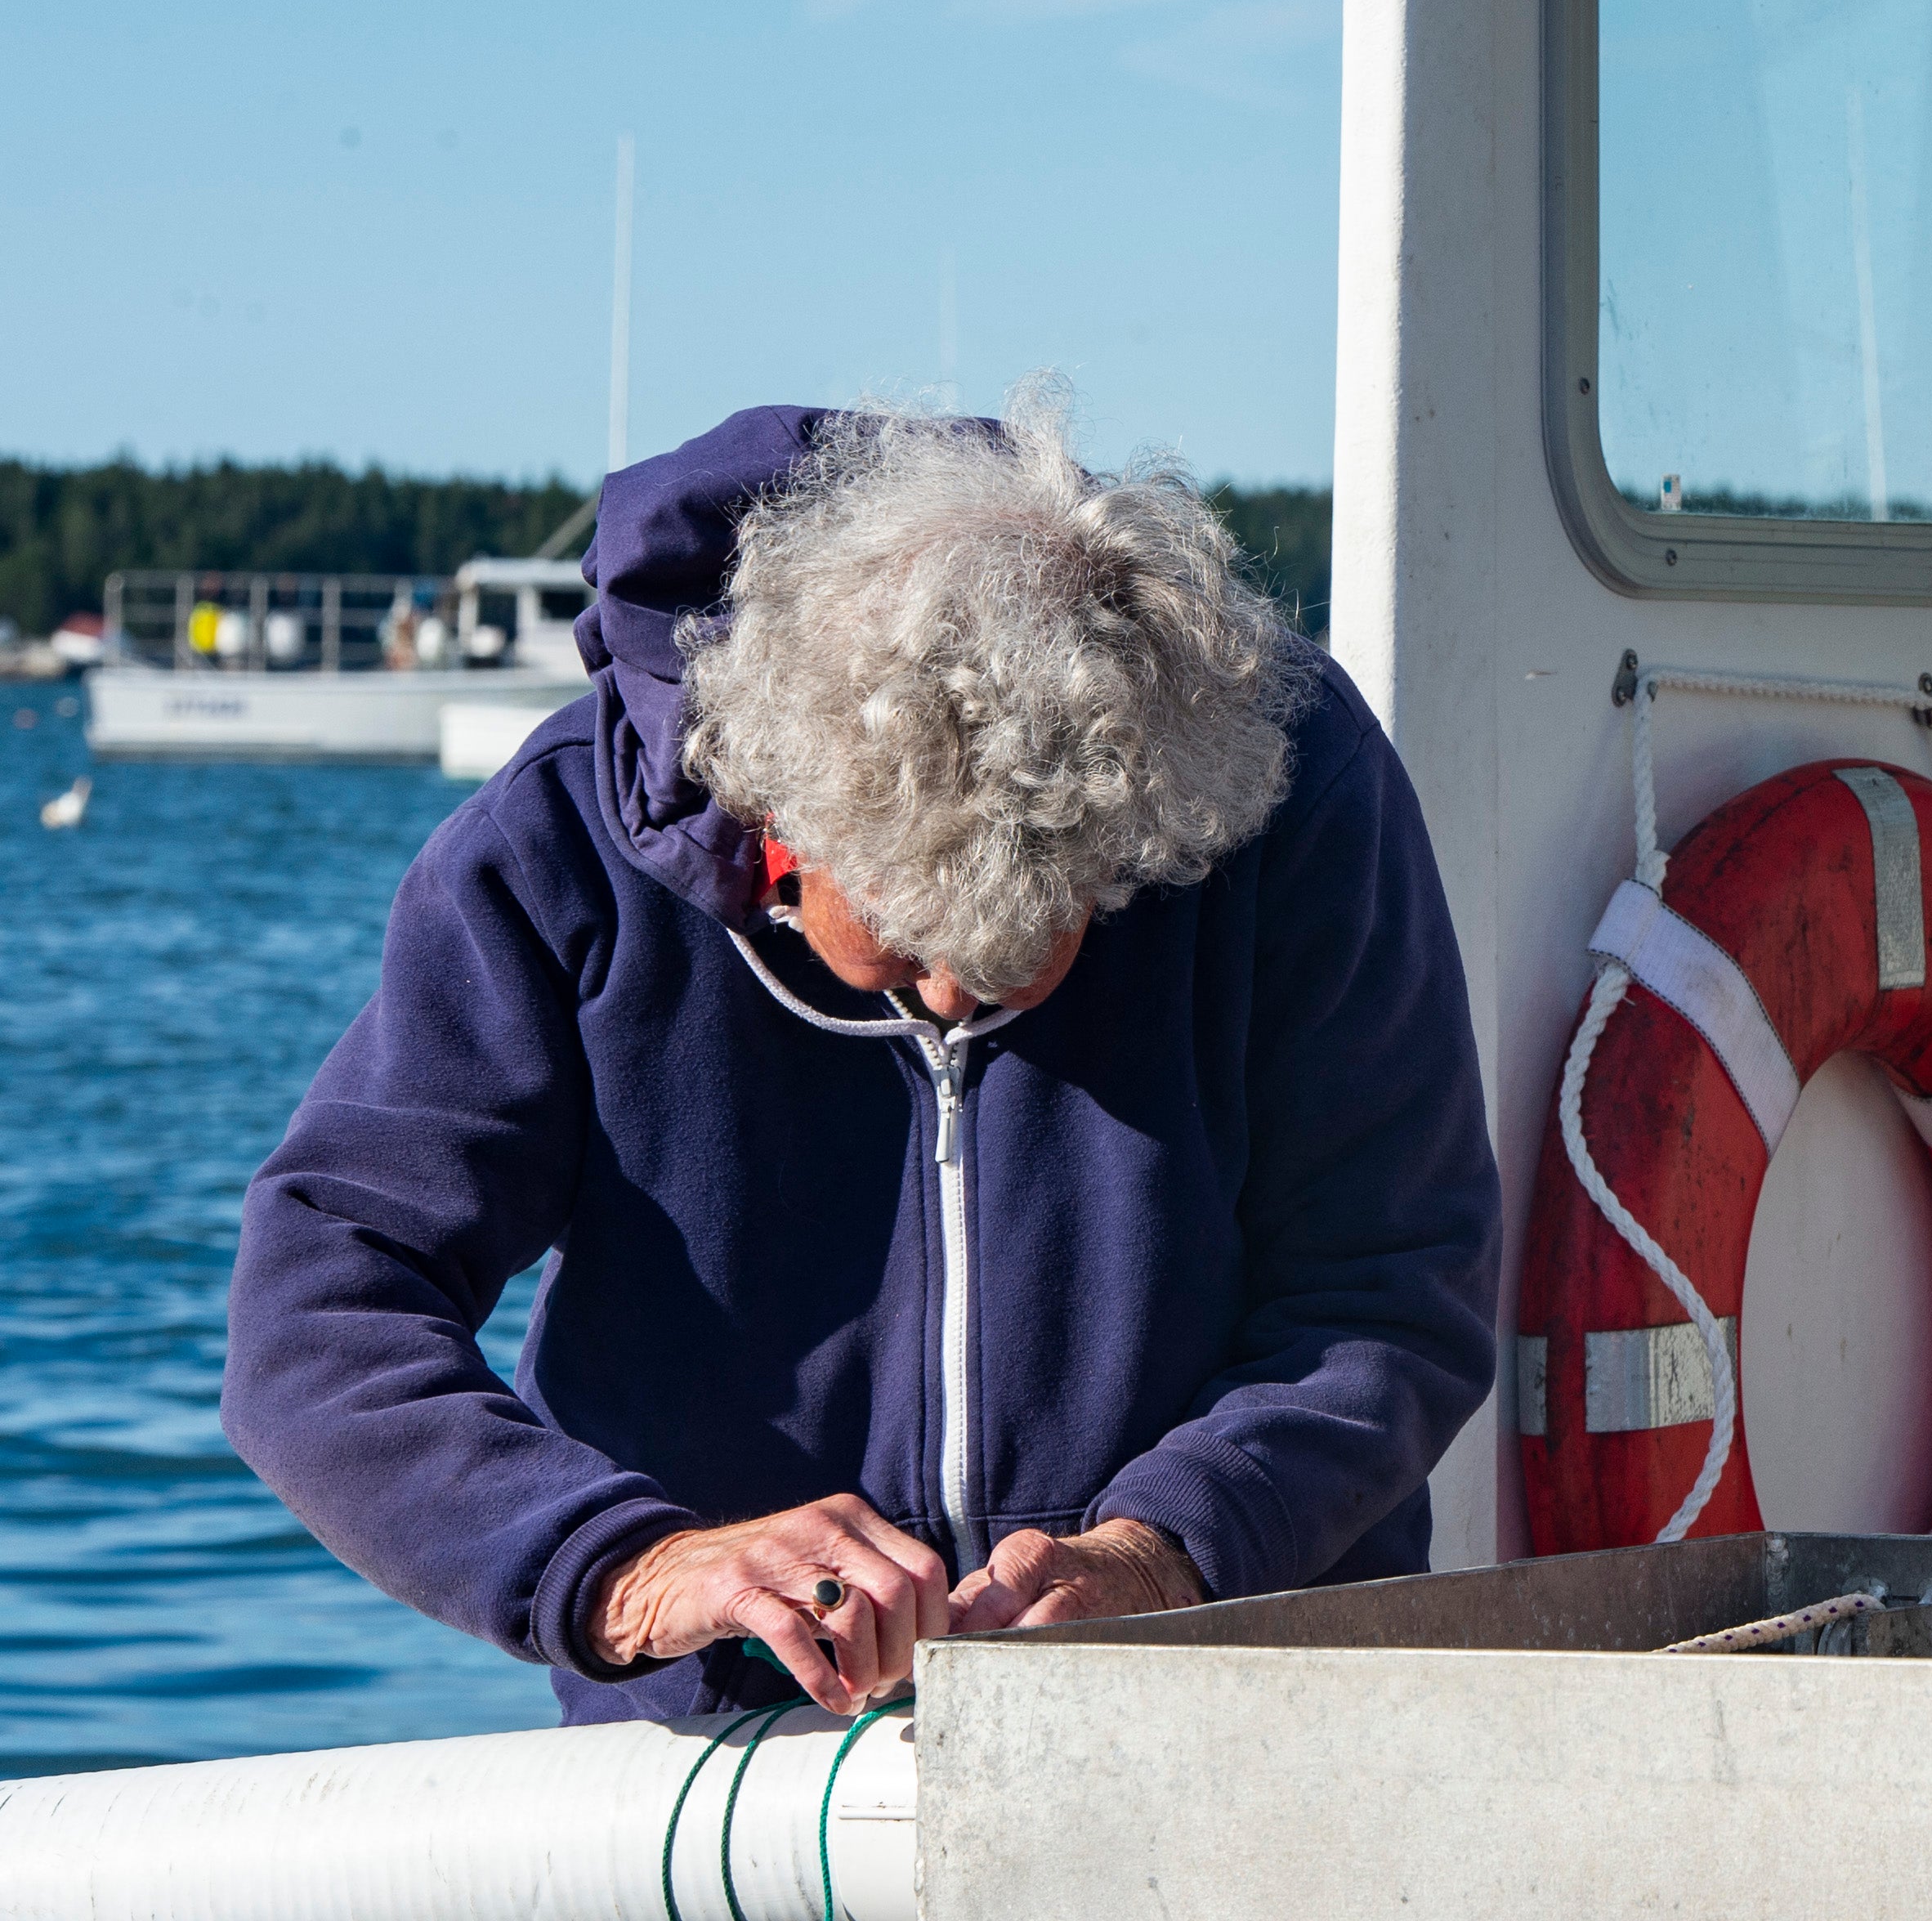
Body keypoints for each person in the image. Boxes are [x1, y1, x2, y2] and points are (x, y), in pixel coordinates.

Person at [225, 398, 1500, 1717]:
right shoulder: (557, 852)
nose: (959, 994)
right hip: (732, 1754)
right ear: (771, 808)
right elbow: (319, 1310)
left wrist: (1173, 1547)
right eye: (907, 936)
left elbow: (1396, 1277)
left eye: (1052, 924)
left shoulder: (1286, 771)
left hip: (1220, 1704)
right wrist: (633, 1571)